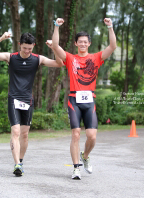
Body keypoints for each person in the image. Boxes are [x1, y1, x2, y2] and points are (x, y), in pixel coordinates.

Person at [0, 32, 63, 177]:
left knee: (25, 134)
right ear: (20, 45)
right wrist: (2, 38)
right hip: (13, 99)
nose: (27, 51)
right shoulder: (11, 57)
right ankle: (16, 164)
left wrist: (54, 48)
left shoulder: (38, 59)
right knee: (15, 132)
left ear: (33, 46)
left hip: (28, 100)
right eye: (25, 48)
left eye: (30, 48)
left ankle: (20, 162)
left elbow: (59, 63)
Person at [51, 18, 117, 179]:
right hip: (74, 100)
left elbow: (112, 46)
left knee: (92, 136)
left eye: (85, 42)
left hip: (89, 101)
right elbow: (55, 46)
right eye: (79, 42)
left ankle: (85, 156)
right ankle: (76, 168)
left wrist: (110, 27)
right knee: (75, 134)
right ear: (76, 44)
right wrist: (56, 27)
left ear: (89, 44)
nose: (82, 44)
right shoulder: (70, 58)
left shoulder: (96, 58)